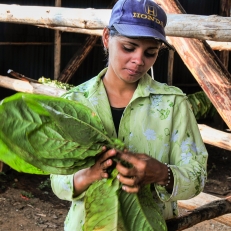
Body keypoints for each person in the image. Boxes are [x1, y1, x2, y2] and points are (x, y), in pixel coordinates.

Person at [50, 0, 208, 230]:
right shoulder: (74, 104)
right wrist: (89, 175)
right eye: (129, 47)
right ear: (106, 38)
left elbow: (197, 177)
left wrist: (163, 173)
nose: (138, 60)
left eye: (150, 52)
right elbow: (57, 181)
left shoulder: (173, 104)